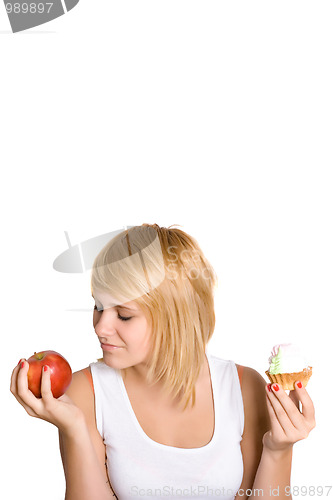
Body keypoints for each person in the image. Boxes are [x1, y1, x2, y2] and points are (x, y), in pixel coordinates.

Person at [10, 223, 316, 500]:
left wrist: (278, 449)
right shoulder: (85, 393)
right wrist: (73, 428)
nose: (100, 327)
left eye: (124, 315)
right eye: (98, 306)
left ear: (174, 316)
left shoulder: (243, 386)